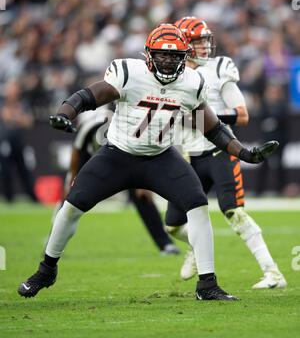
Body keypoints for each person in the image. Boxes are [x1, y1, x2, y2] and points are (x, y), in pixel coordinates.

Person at [18, 23, 278, 301]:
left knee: (198, 204)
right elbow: (89, 96)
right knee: (71, 207)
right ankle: (47, 270)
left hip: (160, 158)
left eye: (175, 56)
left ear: (184, 56)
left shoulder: (191, 83)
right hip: (117, 155)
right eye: (162, 55)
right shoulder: (130, 73)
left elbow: (211, 127)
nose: (167, 61)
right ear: (149, 55)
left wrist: (244, 154)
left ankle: (207, 284)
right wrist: (65, 113)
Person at [165, 16, 286, 289]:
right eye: (198, 41)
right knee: (172, 225)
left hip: (220, 150)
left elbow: (242, 116)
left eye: (206, 40)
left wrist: (202, 118)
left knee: (234, 212)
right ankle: (197, 248)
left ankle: (273, 273)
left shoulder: (220, 68)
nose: (206, 46)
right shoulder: (172, 72)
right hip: (188, 156)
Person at [53, 106, 179, 255]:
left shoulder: (127, 127)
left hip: (125, 159)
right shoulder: (90, 126)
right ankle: (53, 242)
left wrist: (144, 184)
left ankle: (165, 244)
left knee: (142, 197)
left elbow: (140, 150)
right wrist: (72, 178)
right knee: (71, 200)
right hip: (90, 159)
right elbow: (76, 152)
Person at [0, 79, 38, 202]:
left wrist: (15, 117)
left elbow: (28, 121)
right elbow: (6, 117)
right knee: (5, 169)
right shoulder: (3, 103)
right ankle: (8, 197)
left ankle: (32, 197)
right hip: (5, 141)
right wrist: (17, 117)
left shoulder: (23, 103)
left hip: (18, 141)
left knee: (24, 170)